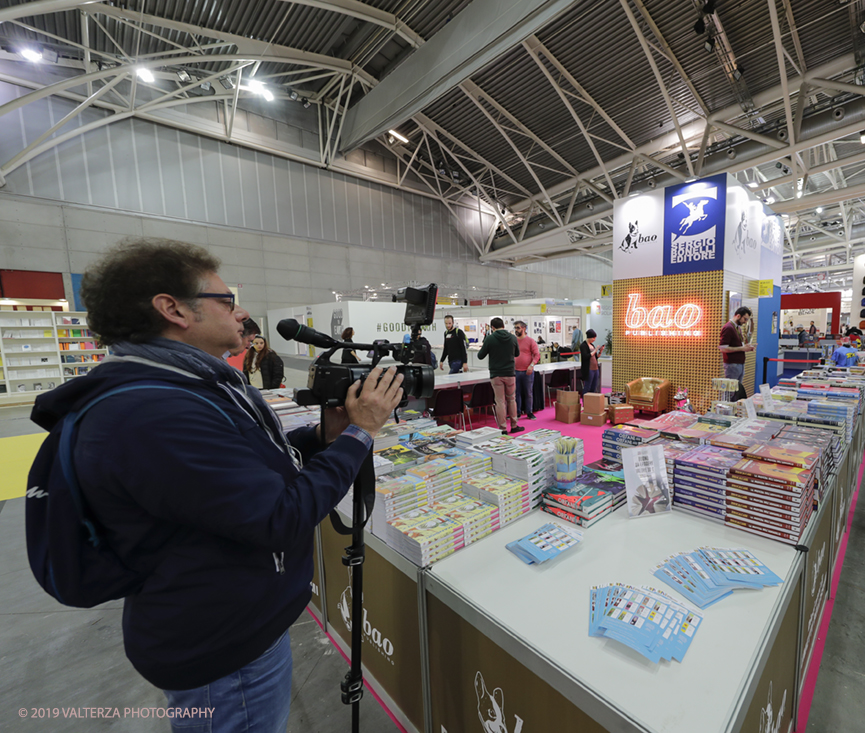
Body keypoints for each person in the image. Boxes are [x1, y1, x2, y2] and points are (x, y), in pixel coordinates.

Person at [27, 239, 405, 730]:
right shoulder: (154, 411)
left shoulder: (187, 388)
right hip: (222, 650)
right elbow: (280, 516)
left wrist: (322, 436)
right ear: (173, 309)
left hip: (226, 622)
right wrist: (360, 434)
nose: (241, 312)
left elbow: (243, 466)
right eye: (226, 300)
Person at [478, 317, 523, 434]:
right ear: (503, 325)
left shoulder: (490, 339)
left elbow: (480, 356)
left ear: (492, 327)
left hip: (496, 374)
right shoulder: (513, 337)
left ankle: (503, 428)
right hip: (510, 373)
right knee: (512, 399)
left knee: (500, 402)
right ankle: (514, 425)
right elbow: (517, 353)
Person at [719, 307, 755, 383]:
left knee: (737, 391)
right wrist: (742, 348)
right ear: (738, 316)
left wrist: (746, 348)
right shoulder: (728, 328)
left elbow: (738, 346)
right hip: (732, 365)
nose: (745, 322)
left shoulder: (737, 328)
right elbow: (723, 348)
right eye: (745, 319)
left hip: (739, 364)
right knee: (730, 392)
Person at [513, 320, 540, 419]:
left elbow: (537, 355)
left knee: (528, 392)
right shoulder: (514, 341)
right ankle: (517, 412)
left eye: (518, 328)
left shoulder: (530, 341)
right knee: (516, 393)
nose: (516, 330)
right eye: (515, 328)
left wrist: (532, 365)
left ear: (524, 328)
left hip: (527, 371)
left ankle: (529, 412)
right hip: (515, 370)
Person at [579, 329, 604, 396]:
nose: (594, 340)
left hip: (595, 369)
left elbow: (595, 357)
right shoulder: (583, 345)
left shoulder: (592, 345)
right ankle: (585, 403)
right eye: (593, 338)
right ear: (589, 337)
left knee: (594, 386)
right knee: (587, 386)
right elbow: (586, 356)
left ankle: (592, 402)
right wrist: (595, 350)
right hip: (589, 369)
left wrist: (600, 351)